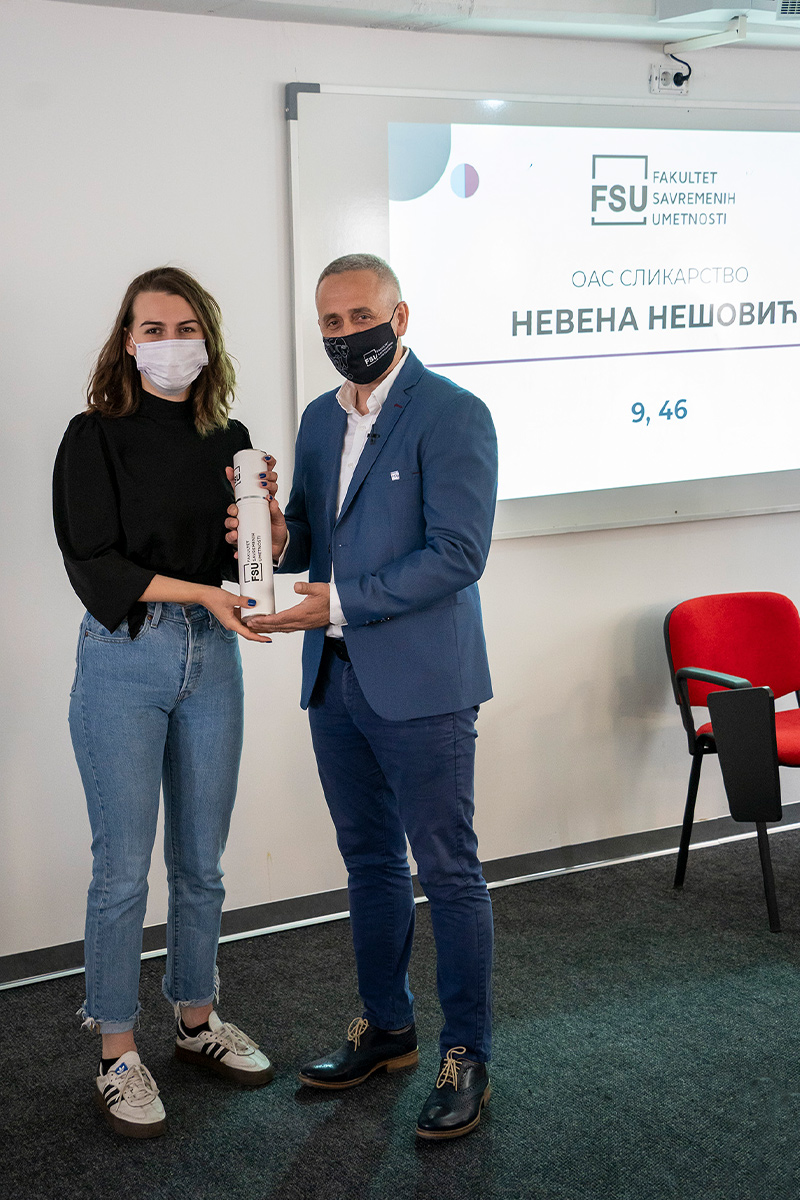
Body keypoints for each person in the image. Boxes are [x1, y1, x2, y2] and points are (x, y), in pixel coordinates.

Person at [227, 253, 498, 1139]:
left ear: (400, 317)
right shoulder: (318, 418)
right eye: (331, 323)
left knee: (448, 870)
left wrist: (337, 603)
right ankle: (388, 1029)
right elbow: (315, 536)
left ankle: (468, 1054)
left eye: (360, 317)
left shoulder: (454, 414)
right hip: (335, 680)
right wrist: (275, 533)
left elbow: (458, 554)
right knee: (371, 862)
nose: (347, 335)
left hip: (422, 683)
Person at [53, 266, 276, 1140]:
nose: (171, 342)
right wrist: (206, 594)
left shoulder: (231, 437)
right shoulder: (93, 436)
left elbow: (241, 563)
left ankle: (195, 1020)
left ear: (207, 341)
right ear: (128, 341)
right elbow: (94, 561)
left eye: (187, 327)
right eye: (153, 328)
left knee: (201, 863)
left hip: (213, 658)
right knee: (122, 871)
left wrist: (266, 533)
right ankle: (117, 1052)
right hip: (126, 656)